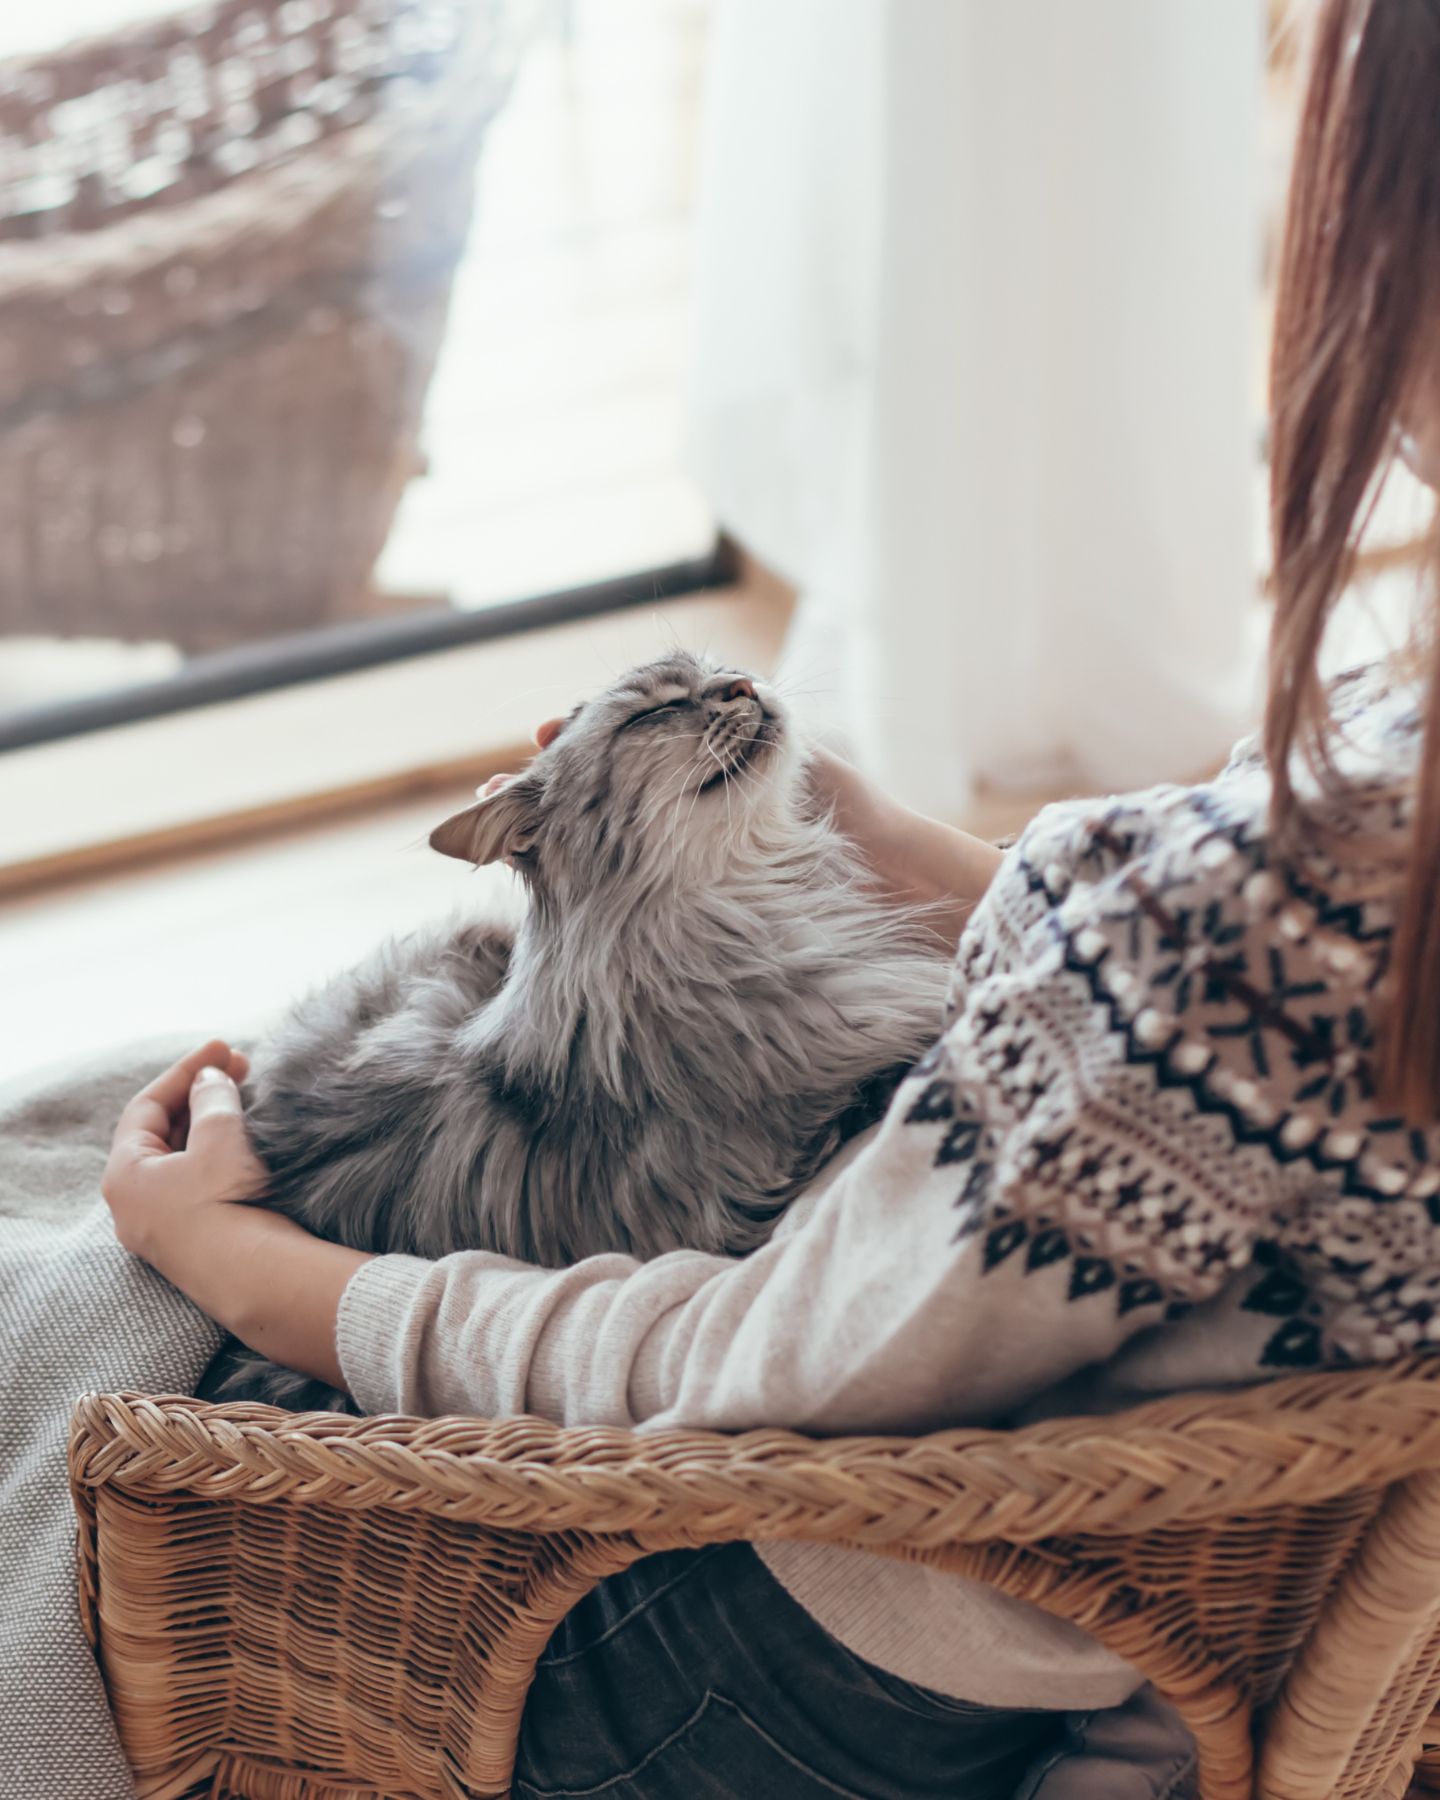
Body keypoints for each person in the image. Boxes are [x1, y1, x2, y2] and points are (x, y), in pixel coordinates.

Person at [99, 1, 1440, 1793]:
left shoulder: (1229, 929)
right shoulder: (1319, 857)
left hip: (840, 1673)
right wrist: (939, 862)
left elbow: (754, 1363)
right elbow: (1253, 1033)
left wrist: (269, 1282)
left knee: (87, 1383)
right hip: (1263, 1617)